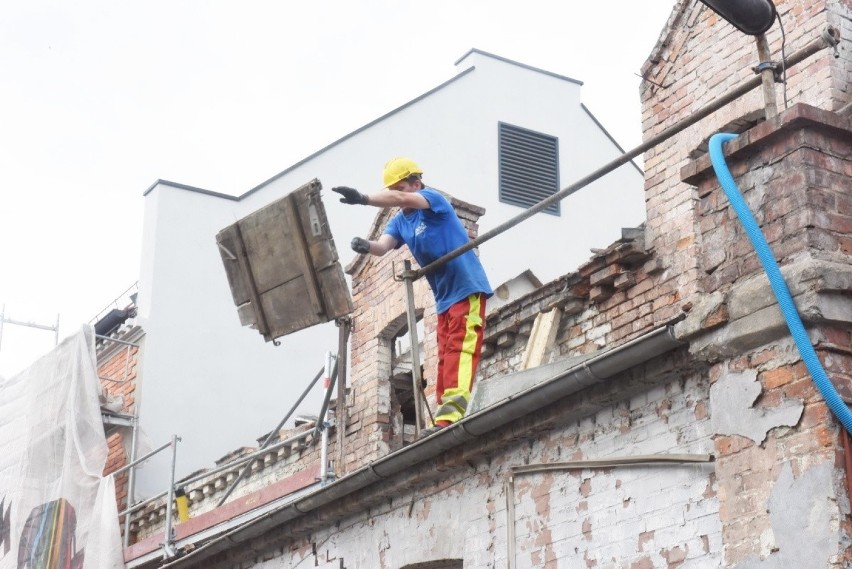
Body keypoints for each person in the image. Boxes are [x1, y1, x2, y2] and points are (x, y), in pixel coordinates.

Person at [332, 157, 492, 437]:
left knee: (459, 348)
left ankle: (452, 416)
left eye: (403, 188)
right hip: (444, 296)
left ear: (416, 183)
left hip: (466, 286)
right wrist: (365, 246)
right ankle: (444, 417)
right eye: (396, 190)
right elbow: (383, 247)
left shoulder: (432, 200)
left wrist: (363, 198)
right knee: (443, 354)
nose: (398, 195)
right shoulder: (400, 221)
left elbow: (396, 197)